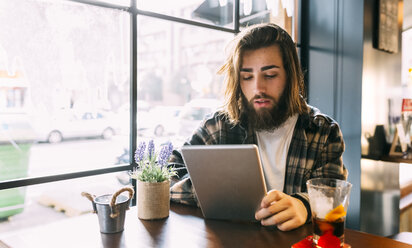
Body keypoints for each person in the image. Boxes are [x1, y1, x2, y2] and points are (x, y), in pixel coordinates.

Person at [168, 23, 347, 231]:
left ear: (290, 75)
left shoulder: (323, 132)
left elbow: (334, 195)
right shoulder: (219, 125)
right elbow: (167, 176)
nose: (258, 88)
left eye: (270, 75)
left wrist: (304, 205)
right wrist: (212, 190)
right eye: (247, 77)